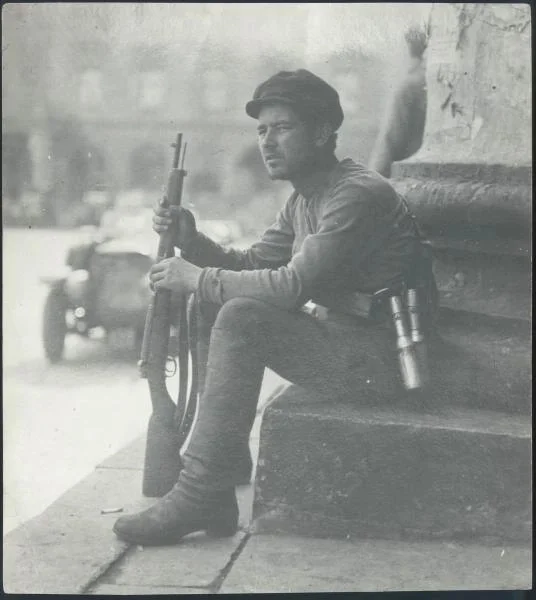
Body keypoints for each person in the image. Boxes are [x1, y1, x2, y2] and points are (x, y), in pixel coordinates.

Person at [113, 68, 433, 546]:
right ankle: (219, 477)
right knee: (222, 301)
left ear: (323, 132)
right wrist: (192, 241)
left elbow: (289, 287)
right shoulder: (306, 197)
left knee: (238, 313)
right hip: (346, 347)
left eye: (282, 128)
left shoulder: (356, 194)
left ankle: (201, 488)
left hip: (380, 360)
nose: (267, 142)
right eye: (262, 130)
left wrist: (199, 279)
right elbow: (253, 263)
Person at [368, 24, 428, 178]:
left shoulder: (408, 86)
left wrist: (370, 182)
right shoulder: (429, 81)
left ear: (406, 49)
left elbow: (389, 141)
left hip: (409, 179)